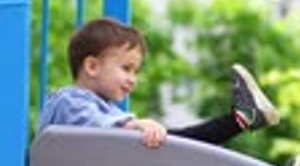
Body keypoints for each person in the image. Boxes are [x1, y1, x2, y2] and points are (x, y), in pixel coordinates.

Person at [38, 16, 280, 149]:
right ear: (92, 66)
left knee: (181, 141)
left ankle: (243, 119)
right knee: (174, 144)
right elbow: (98, 125)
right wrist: (135, 125)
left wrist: (134, 126)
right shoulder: (69, 101)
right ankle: (244, 120)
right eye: (126, 68)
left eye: (135, 71)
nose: (133, 80)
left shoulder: (105, 109)